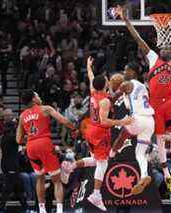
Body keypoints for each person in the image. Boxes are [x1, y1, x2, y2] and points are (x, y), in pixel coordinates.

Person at [115, 5, 171, 192]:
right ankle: (166, 176)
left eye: (169, 47)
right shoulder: (153, 57)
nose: (166, 48)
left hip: (170, 103)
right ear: (159, 47)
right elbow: (138, 39)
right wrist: (126, 20)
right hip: (155, 106)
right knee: (162, 139)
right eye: (163, 46)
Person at [62, 57, 132, 211]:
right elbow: (105, 121)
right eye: (107, 81)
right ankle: (96, 194)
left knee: (95, 159)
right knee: (103, 163)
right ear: (105, 85)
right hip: (100, 133)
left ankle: (71, 165)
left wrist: (89, 66)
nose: (108, 82)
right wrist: (123, 122)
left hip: (90, 131)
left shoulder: (93, 92)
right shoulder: (105, 101)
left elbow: (91, 77)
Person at [16, 90, 77, 213]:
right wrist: (74, 128)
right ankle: (59, 210)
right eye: (37, 95)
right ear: (34, 99)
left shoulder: (22, 116)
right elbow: (64, 121)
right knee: (56, 180)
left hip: (31, 146)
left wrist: (31, 136)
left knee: (40, 178)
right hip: (44, 143)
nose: (39, 97)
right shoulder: (45, 109)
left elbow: (18, 139)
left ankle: (42, 209)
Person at [109, 62, 155, 195]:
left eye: (126, 70)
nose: (124, 73)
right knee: (140, 153)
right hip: (150, 121)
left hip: (139, 119)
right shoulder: (143, 86)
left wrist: (110, 85)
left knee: (122, 136)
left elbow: (112, 97)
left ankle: (110, 156)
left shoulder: (126, 84)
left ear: (133, 72)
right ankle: (144, 175)